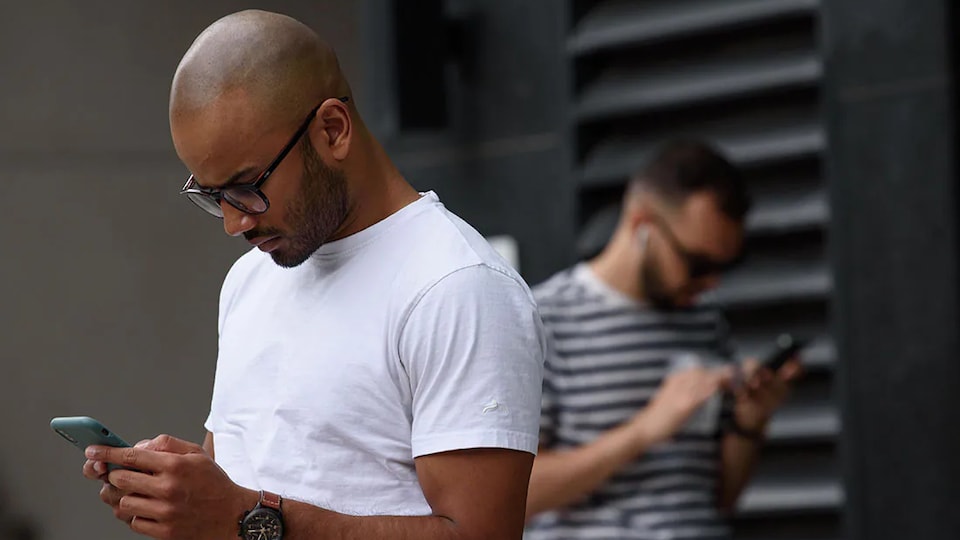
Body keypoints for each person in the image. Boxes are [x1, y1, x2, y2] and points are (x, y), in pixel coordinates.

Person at [81, 10, 545, 540]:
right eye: (212, 197)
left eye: (246, 185)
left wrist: (248, 518)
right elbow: (248, 486)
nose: (235, 222)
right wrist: (187, 492)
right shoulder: (249, 280)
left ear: (333, 129)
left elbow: (477, 535)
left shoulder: (457, 287)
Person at [524, 140, 802, 539]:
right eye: (699, 264)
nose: (711, 283)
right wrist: (645, 430)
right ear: (642, 226)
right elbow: (514, 493)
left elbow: (719, 499)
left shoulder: (704, 319)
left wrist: (749, 424)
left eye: (726, 266)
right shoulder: (542, 319)